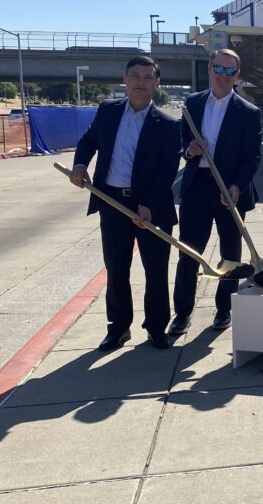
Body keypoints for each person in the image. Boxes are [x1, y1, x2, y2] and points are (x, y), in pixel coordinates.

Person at [67, 56, 181, 351]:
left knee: (156, 271)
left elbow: (167, 170)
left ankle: (156, 328)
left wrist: (149, 204)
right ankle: (118, 328)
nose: (141, 82)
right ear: (125, 79)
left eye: (147, 77)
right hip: (113, 202)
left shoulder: (168, 124)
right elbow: (88, 142)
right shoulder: (107, 111)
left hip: (152, 206)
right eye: (135, 76)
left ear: (157, 84)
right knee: (117, 268)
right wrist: (80, 165)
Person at [169, 49, 261, 336]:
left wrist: (236, 186)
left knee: (230, 254)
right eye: (218, 69)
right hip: (198, 187)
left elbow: (252, 157)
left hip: (230, 189)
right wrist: (189, 150)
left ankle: (224, 309)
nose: (223, 76)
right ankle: (182, 313)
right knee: (189, 251)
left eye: (230, 71)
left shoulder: (249, 112)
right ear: (209, 69)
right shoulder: (192, 103)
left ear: (237, 75)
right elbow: (181, 141)